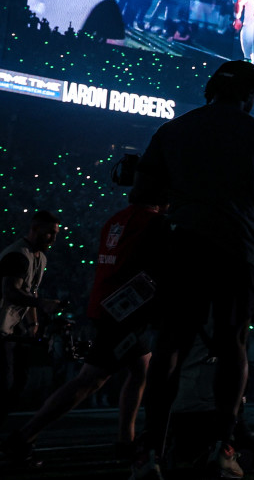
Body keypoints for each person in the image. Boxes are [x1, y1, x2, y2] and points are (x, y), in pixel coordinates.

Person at [130, 59, 254, 479]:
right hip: (241, 250)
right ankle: (224, 446)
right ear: (250, 95)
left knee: (169, 347)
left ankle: (151, 451)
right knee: (232, 343)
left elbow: (142, 193)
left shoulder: (174, 130)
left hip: (186, 244)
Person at [4, 193, 165, 468]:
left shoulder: (118, 219)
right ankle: (23, 437)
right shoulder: (154, 222)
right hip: (124, 312)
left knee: (140, 368)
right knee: (91, 379)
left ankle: (125, 441)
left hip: (110, 306)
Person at [0, 212, 60, 434]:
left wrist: (33, 325)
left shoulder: (40, 257)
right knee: (6, 384)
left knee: (17, 382)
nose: (53, 238)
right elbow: (10, 292)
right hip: (2, 328)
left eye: (55, 234)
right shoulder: (18, 255)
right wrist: (42, 304)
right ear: (34, 229)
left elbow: (30, 290)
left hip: (13, 329)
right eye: (49, 233)